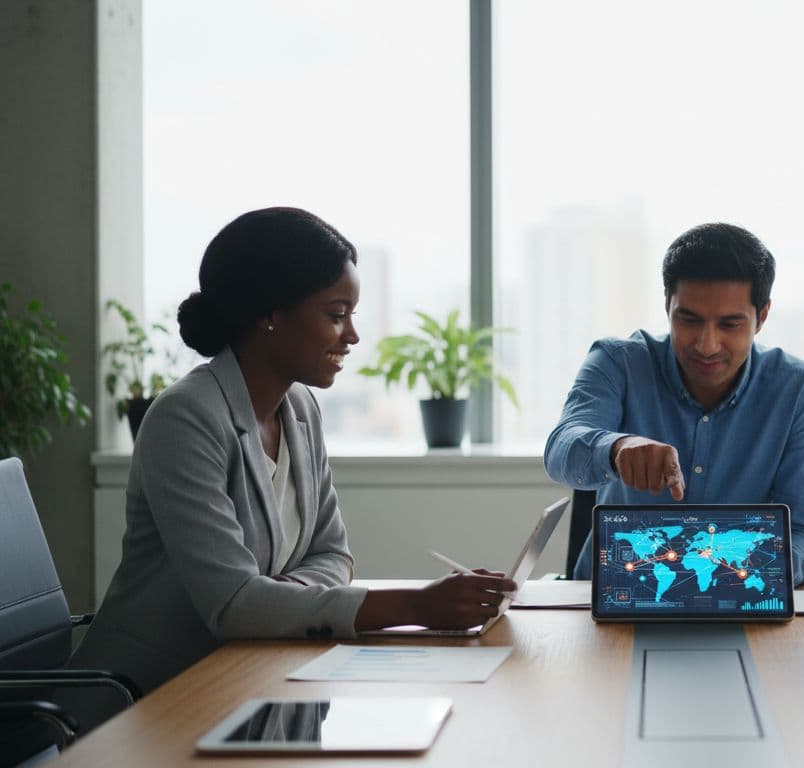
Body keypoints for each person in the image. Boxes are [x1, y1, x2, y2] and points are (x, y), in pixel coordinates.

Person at [72, 207, 514, 695]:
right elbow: (234, 606)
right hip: (150, 698)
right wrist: (413, 606)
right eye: (336, 315)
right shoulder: (185, 418)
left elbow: (333, 554)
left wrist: (277, 599)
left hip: (251, 675)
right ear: (270, 314)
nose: (352, 336)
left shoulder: (299, 409)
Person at [544, 222, 804, 586]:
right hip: (614, 602)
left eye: (730, 324)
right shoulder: (617, 362)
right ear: (668, 304)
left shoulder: (800, 391)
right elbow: (561, 450)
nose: (707, 345)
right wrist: (616, 448)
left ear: (761, 317)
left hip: (743, 593)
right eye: (689, 320)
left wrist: (744, 578)